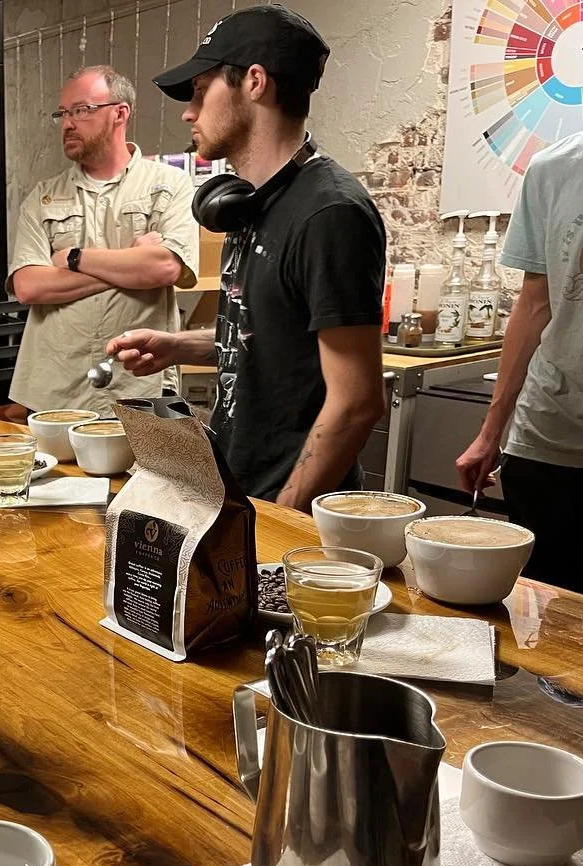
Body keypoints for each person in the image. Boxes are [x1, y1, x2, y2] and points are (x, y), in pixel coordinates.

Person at [105, 7, 386, 508]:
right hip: (238, 489)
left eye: (200, 91)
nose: (188, 113)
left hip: (286, 507)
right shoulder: (248, 201)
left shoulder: (330, 213)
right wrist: (179, 345)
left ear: (255, 82)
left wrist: (282, 517)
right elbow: (273, 337)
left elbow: (356, 403)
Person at [455, 124, 583, 597]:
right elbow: (535, 302)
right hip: (549, 438)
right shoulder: (557, 166)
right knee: (550, 619)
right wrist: (490, 432)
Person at [7, 65, 198, 418]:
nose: (67, 123)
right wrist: (130, 262)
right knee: (57, 475)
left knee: (142, 474)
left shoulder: (170, 185)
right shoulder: (43, 196)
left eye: (81, 110)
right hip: (56, 385)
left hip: (139, 382)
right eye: (63, 113)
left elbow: (165, 267)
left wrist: (74, 258)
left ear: (119, 113)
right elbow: (29, 287)